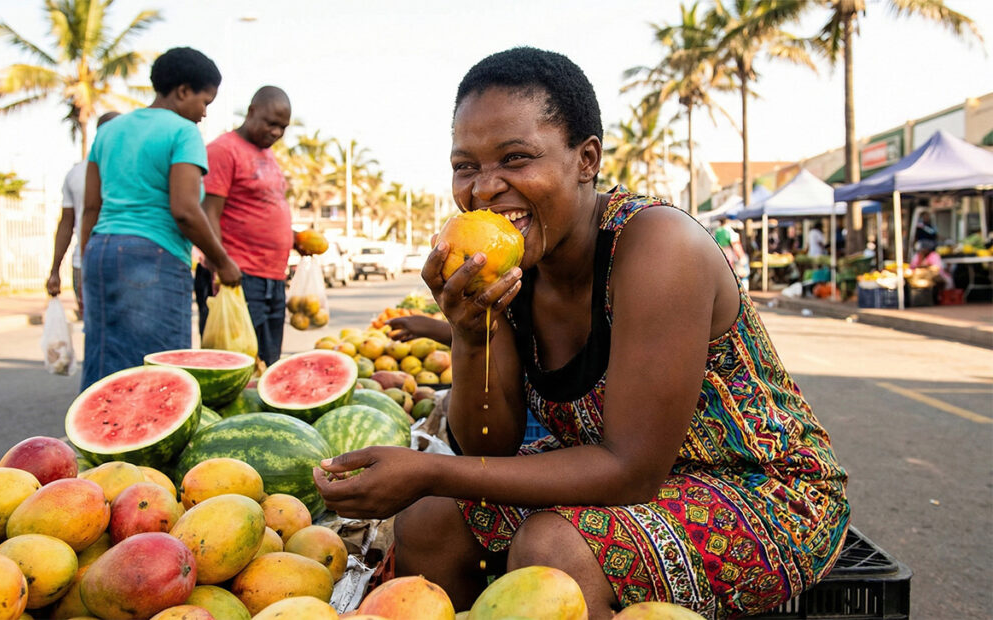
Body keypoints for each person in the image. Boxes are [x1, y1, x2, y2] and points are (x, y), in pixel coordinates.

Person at [314, 47, 849, 619]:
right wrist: (471, 334)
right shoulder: (514, 268)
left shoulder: (657, 246)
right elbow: (489, 445)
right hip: (625, 472)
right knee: (432, 518)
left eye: (515, 159)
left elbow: (630, 470)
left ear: (586, 158)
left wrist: (427, 468)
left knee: (552, 548)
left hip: (763, 490)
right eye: (465, 165)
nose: (484, 188)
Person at [79, 47, 241, 390]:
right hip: (152, 257)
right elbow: (184, 210)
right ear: (183, 91)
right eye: (205, 102)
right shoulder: (183, 132)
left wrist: (85, 260)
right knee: (157, 376)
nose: (204, 114)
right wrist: (221, 261)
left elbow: (90, 207)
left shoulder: (110, 130)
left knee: (104, 369)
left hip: (101, 251)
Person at [194, 86, 297, 366]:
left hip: (272, 278)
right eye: (271, 123)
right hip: (238, 277)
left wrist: (292, 238)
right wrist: (220, 265)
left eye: (283, 127)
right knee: (236, 369)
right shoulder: (223, 150)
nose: (276, 132)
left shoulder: (267, 155)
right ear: (251, 112)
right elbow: (208, 213)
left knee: (267, 365)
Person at [46, 111, 120, 316]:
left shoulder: (76, 172)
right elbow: (69, 222)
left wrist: (55, 271)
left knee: (95, 326)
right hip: (119, 261)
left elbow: (66, 224)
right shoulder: (128, 167)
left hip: (85, 260)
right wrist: (54, 270)